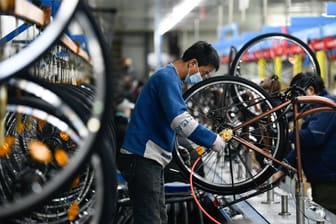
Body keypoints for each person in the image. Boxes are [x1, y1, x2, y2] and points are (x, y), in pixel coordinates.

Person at [117, 41, 226, 224]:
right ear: (192, 63)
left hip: (150, 160)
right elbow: (180, 121)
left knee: (159, 217)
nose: (203, 77)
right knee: (150, 219)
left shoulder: (170, 78)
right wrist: (212, 139)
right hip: (142, 159)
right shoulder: (167, 78)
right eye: (204, 72)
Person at [273, 71, 336, 214]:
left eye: (297, 96)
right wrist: (283, 169)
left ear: (310, 90)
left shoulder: (327, 106)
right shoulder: (315, 109)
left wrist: (286, 135)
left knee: (328, 216)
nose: (296, 103)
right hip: (323, 180)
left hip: (330, 183)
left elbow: (313, 137)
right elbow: (304, 147)